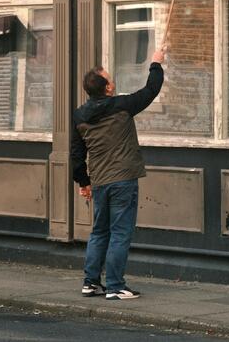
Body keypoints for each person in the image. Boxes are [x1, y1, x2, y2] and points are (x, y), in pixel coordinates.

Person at [71, 49, 165, 300]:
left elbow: (76, 155)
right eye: (110, 79)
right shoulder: (122, 106)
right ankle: (115, 286)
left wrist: (84, 182)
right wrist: (156, 62)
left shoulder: (79, 116)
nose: (113, 82)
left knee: (100, 232)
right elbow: (151, 90)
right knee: (120, 232)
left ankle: (91, 283)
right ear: (108, 88)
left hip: (100, 181)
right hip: (123, 178)